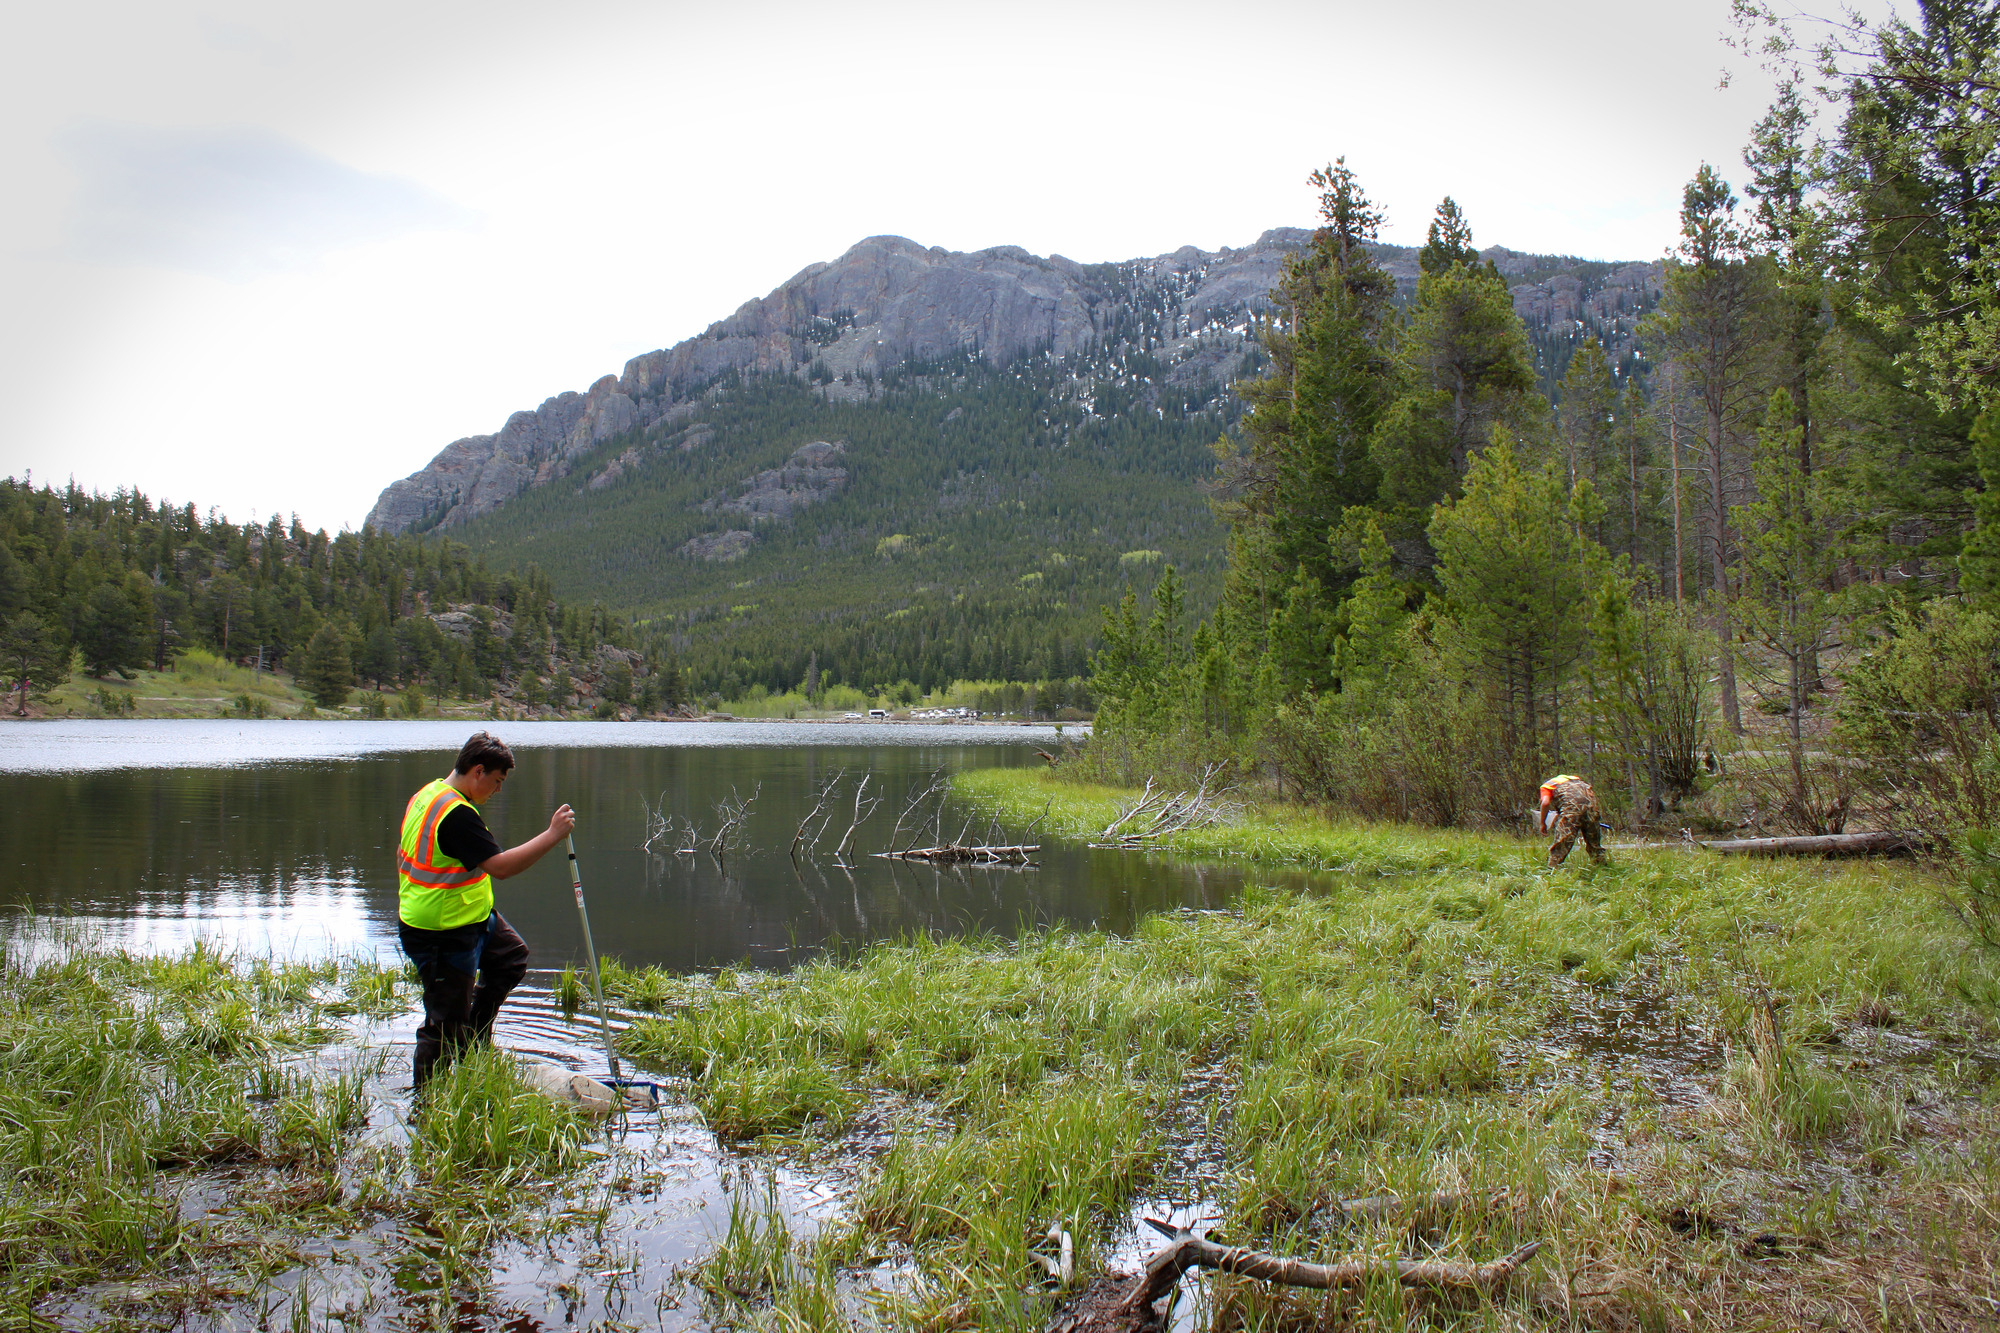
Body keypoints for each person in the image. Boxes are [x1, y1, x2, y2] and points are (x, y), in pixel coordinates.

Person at [397, 731, 575, 1090]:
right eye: (497, 781)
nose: (498, 790)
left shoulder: (429, 794)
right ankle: (426, 1104)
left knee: (510, 958)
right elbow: (502, 867)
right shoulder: (455, 814)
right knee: (442, 1024)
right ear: (478, 771)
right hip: (441, 930)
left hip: (468, 918)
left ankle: (472, 1044)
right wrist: (552, 835)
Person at [1539, 773, 1606, 867]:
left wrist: (1542, 823)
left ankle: (1552, 871)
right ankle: (1602, 869)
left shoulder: (1547, 786)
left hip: (1572, 811)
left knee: (1562, 844)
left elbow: (1545, 803)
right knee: (1594, 844)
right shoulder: (1576, 781)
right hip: (1591, 808)